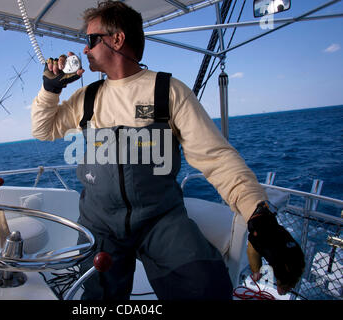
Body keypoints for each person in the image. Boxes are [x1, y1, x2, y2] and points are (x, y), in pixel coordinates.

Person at [31, 1, 304, 300]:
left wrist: (259, 216)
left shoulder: (168, 91)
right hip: (100, 223)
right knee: (99, 298)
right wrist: (50, 88)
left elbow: (216, 158)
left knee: (207, 288)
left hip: (160, 220)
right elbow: (44, 130)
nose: (85, 50)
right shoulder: (87, 97)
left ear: (117, 39)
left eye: (91, 40)